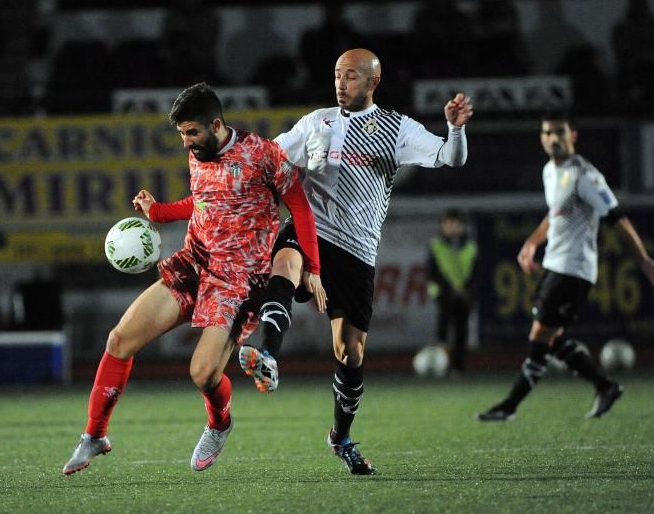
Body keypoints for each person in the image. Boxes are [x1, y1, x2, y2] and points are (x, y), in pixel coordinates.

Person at [148, 50, 474, 475]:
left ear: (374, 82)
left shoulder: (396, 128)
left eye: (352, 76)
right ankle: (268, 355)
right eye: (337, 75)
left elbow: (451, 157)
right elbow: (263, 163)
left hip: (357, 248)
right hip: (310, 231)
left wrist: (454, 128)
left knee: (350, 351)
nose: (341, 83)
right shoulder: (316, 122)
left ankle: (341, 436)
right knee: (284, 262)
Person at [62, 82, 321, 475]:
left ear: (216, 124)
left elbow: (301, 209)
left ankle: (220, 422)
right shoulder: (199, 153)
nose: (186, 143)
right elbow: (203, 201)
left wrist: (313, 270)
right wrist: (160, 212)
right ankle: (95, 435)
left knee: (202, 374)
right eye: (182, 135)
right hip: (194, 264)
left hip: (238, 282)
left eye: (192, 133)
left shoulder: (263, 155)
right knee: (119, 339)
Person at [477, 111, 654, 422]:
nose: (553, 138)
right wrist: (532, 242)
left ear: (573, 135)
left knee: (540, 336)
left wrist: (643, 259)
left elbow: (618, 218)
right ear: (542, 138)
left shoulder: (585, 175)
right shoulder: (550, 172)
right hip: (555, 265)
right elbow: (554, 216)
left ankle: (509, 406)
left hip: (574, 269)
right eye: (547, 132)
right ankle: (605, 386)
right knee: (551, 339)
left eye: (560, 132)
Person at [426, 209, 478, 376]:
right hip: (444, 293)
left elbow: (476, 272)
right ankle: (439, 366)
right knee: (442, 329)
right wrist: (450, 288)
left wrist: (466, 289)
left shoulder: (471, 246)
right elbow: (432, 271)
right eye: (447, 224)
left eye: (455, 224)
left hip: (464, 295)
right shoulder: (436, 245)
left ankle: (458, 368)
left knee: (461, 330)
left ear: (462, 226)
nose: (451, 227)